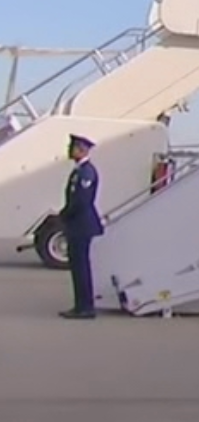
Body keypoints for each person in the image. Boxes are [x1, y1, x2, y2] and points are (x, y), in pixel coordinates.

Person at [58, 134, 102, 319]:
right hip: (77, 224)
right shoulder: (79, 171)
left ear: (82, 149)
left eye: (73, 147)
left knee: (81, 267)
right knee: (77, 267)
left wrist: (64, 214)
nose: (70, 150)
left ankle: (85, 307)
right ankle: (81, 306)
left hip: (81, 225)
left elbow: (81, 201)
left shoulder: (86, 172)